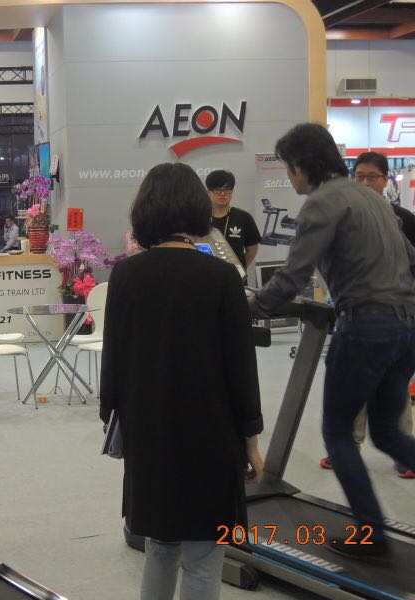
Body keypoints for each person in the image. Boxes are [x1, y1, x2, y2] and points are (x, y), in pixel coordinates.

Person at [250, 123, 415, 559]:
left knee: (338, 432)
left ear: (301, 165)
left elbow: (292, 276)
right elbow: (411, 260)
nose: (290, 178)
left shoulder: (322, 203)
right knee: (386, 432)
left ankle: (372, 536)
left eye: (289, 168)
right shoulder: (374, 200)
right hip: (406, 327)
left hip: (365, 327)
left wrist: (249, 307)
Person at [100, 162, 264, 600]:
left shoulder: (126, 275)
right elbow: (240, 367)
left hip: (149, 432)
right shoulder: (222, 278)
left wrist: (113, 424)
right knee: (204, 557)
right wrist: (250, 438)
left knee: (159, 547)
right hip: (211, 433)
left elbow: (113, 359)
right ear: (197, 209)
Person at [318, 151, 415, 478]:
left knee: (395, 386)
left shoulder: (404, 219)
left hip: (398, 315)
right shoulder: (344, 217)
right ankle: (346, 447)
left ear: (386, 180)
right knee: (351, 383)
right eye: (358, 176)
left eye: (372, 177)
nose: (364, 182)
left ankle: (404, 454)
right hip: (355, 312)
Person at [206, 170, 261, 270]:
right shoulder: (200, 217)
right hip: (206, 273)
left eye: (227, 189)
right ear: (208, 192)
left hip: (235, 275)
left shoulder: (244, 217)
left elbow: (252, 249)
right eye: (218, 189)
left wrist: (240, 269)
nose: (223, 193)